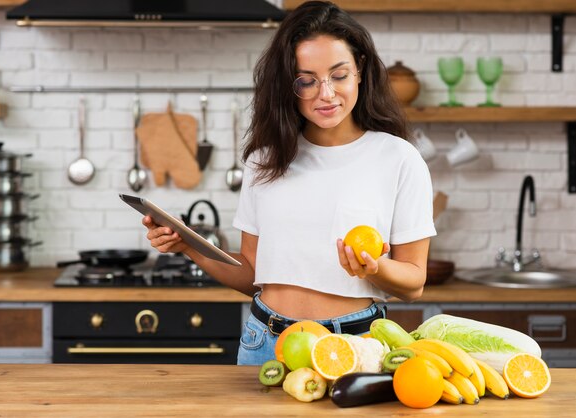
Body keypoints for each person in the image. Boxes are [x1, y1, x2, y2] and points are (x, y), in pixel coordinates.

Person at [142, 1, 436, 365]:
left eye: (338, 75)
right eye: (306, 81)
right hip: (264, 341)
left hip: (354, 345)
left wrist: (376, 268)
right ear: (288, 85)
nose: (325, 93)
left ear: (359, 70)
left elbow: (414, 282)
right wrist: (187, 245)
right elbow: (252, 274)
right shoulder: (265, 160)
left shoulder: (398, 158)